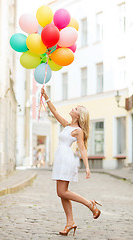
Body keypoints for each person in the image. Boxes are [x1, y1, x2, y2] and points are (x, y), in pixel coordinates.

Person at [41, 87, 102, 236]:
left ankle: (90, 204)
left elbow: (82, 149)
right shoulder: (67, 125)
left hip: (67, 160)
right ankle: (70, 223)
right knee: (62, 194)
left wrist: (87, 167)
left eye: (76, 109)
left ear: (79, 115)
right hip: (60, 159)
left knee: (62, 192)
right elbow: (54, 111)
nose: (73, 108)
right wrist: (46, 96)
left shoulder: (78, 131)